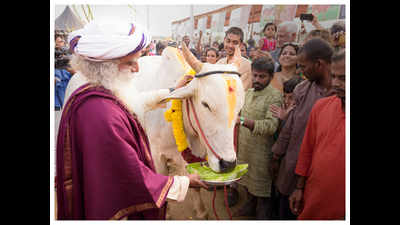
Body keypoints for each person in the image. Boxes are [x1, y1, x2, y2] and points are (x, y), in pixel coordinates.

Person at [56, 21, 207, 220]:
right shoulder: (102, 114)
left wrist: (172, 91)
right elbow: (134, 178)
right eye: (130, 62)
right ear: (106, 67)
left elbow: (137, 102)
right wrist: (186, 182)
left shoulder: (100, 92)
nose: (137, 68)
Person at [269, 38, 335, 220]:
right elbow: (289, 127)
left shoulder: (338, 96)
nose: (301, 71)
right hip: (292, 165)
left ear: (319, 64)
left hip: (319, 176)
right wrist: (276, 155)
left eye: (304, 66)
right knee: (284, 209)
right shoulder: (302, 89)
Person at [289, 49, 346, 220]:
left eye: (343, 78)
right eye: (333, 76)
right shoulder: (321, 107)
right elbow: (307, 151)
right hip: (314, 197)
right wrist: (299, 187)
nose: (335, 83)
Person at [233, 57, 283, 219]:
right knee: (247, 184)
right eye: (254, 75)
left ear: (271, 77)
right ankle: (250, 207)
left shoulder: (275, 97)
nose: (257, 80)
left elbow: (270, 126)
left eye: (262, 77)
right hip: (245, 149)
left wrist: (242, 121)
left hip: (262, 153)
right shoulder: (247, 94)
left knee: (262, 192)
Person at [217, 26, 252, 91]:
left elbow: (238, 92)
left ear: (241, 45)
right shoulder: (219, 63)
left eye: (235, 43)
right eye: (228, 41)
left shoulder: (247, 66)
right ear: (224, 41)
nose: (230, 45)